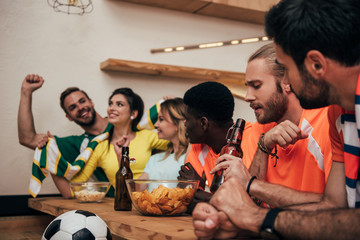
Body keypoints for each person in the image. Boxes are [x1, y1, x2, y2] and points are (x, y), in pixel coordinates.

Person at [193, 0, 360, 239]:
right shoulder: (339, 114)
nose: (287, 80)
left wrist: (253, 216)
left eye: (287, 68)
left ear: (316, 64)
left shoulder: (324, 120)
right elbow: (334, 209)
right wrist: (242, 222)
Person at [210, 43, 332, 208]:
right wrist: (263, 147)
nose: (247, 97)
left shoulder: (326, 123)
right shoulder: (258, 131)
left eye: (257, 86)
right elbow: (248, 203)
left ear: (287, 82)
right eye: (248, 87)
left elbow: (336, 208)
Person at [18, 74, 162, 197]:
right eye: (72, 107)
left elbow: (168, 133)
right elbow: (28, 139)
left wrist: (169, 108)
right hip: (114, 203)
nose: (80, 107)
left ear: (91, 102)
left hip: (151, 197)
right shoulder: (85, 145)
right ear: (68, 117)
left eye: (82, 101)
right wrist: (26, 92)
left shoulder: (125, 123)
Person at [68, 88, 168, 196]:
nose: (111, 108)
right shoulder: (100, 147)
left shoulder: (147, 136)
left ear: (133, 113)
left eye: (119, 104)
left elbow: (179, 141)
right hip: (123, 203)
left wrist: (171, 109)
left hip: (153, 200)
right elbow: (74, 187)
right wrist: (50, 157)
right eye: (111, 104)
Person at [177, 81, 238, 207]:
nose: (185, 124)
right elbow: (185, 199)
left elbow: (243, 207)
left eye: (187, 119)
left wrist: (200, 192)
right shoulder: (197, 147)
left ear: (203, 123)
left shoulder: (253, 139)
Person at [139, 98, 188, 180]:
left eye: (161, 119)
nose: (155, 124)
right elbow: (137, 189)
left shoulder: (192, 157)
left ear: (178, 122)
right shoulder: (155, 159)